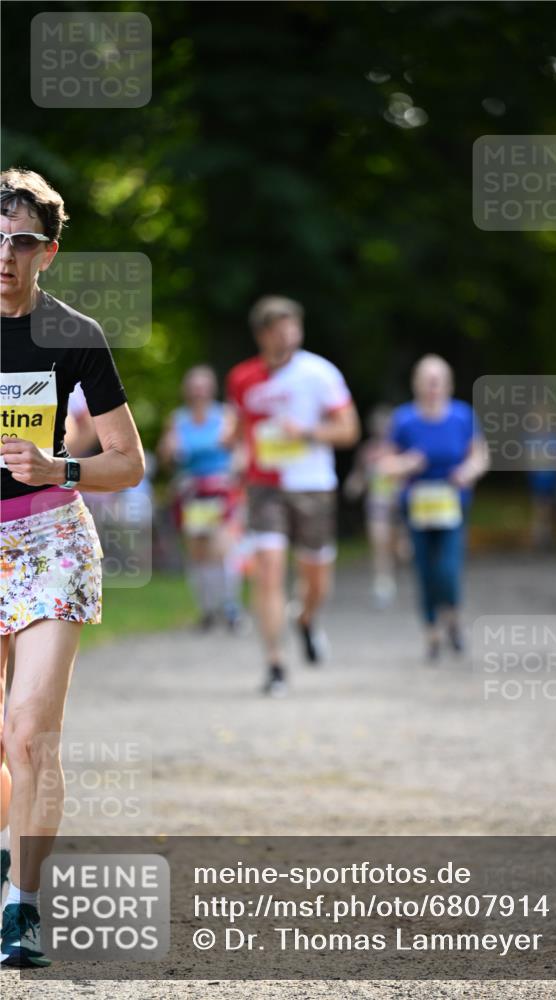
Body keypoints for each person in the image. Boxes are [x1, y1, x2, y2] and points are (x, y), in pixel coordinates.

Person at [0, 169, 144, 967]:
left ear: (47, 252)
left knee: (29, 732)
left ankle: (21, 909)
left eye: (21, 241)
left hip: (49, 538)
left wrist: (58, 468)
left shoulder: (73, 334)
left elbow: (128, 461)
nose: (5, 256)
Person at [227, 296, 360, 695]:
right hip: (265, 486)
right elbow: (239, 429)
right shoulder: (243, 378)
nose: (289, 334)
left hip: (312, 487)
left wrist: (306, 432)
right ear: (262, 335)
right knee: (268, 570)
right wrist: (234, 449)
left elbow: (348, 430)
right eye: (279, 328)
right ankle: (275, 664)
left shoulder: (319, 374)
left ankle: (306, 617)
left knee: (315, 577)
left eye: (293, 327)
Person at [382, 355, 488, 661]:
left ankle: (452, 617)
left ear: (447, 384)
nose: (432, 386)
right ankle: (431, 632)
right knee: (424, 570)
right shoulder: (404, 420)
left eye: (437, 380)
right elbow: (386, 464)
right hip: (417, 506)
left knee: (448, 569)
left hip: (452, 504)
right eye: (427, 380)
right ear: (416, 384)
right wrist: (406, 464)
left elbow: (479, 456)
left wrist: (467, 472)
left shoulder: (461, 416)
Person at [158, 365, 243, 629]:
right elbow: (165, 456)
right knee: (197, 551)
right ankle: (206, 610)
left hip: (220, 487)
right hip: (191, 490)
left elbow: (241, 451)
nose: (199, 393)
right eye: (194, 387)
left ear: (211, 389)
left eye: (203, 387)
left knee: (222, 547)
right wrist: (169, 451)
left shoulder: (225, 416)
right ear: (187, 391)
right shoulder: (178, 419)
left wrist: (235, 473)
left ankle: (230, 607)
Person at [344, 405, 409, 608]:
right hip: (377, 505)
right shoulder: (368, 451)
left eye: (386, 425)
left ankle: (398, 575)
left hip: (399, 506)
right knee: (380, 545)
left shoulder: (401, 449)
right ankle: (384, 584)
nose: (382, 429)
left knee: (401, 550)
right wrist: (354, 486)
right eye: (378, 426)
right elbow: (359, 476)